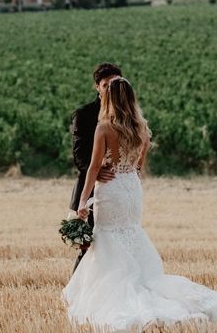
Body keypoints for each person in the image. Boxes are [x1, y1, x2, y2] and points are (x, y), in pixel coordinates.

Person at [61, 76, 217, 332]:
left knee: (108, 235)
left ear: (109, 99)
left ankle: (120, 293)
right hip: (131, 187)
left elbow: (95, 167)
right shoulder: (141, 127)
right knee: (131, 231)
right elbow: (140, 163)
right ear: (131, 98)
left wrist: (82, 204)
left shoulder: (104, 128)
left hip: (111, 190)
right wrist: (129, 171)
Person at [68, 63, 122, 275]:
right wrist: (97, 173)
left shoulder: (126, 115)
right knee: (88, 247)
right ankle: (77, 297)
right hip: (91, 190)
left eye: (114, 84)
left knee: (117, 246)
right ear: (97, 87)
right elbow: (79, 156)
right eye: (105, 85)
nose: (110, 89)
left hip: (118, 190)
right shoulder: (84, 114)